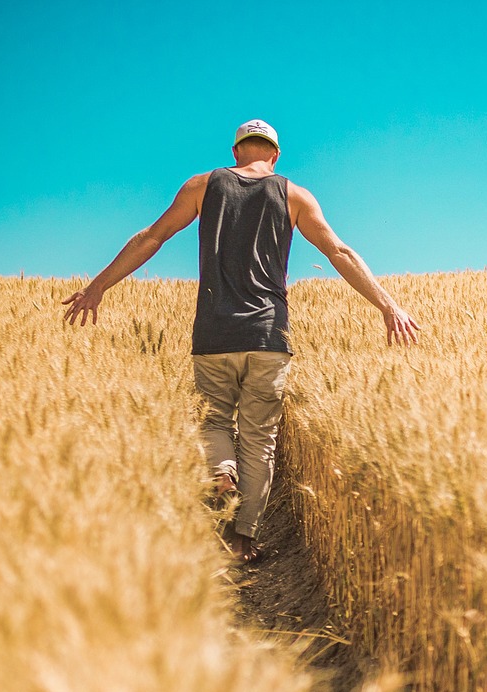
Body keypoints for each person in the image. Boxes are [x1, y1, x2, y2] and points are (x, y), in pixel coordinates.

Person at [61, 119, 418, 562]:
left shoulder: (202, 185)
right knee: (260, 439)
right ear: (275, 155)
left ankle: (221, 470)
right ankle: (243, 538)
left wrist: (98, 286)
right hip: (269, 336)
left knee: (214, 423)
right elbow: (338, 253)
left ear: (236, 153)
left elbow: (151, 237)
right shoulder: (295, 195)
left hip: (213, 333)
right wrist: (389, 307)